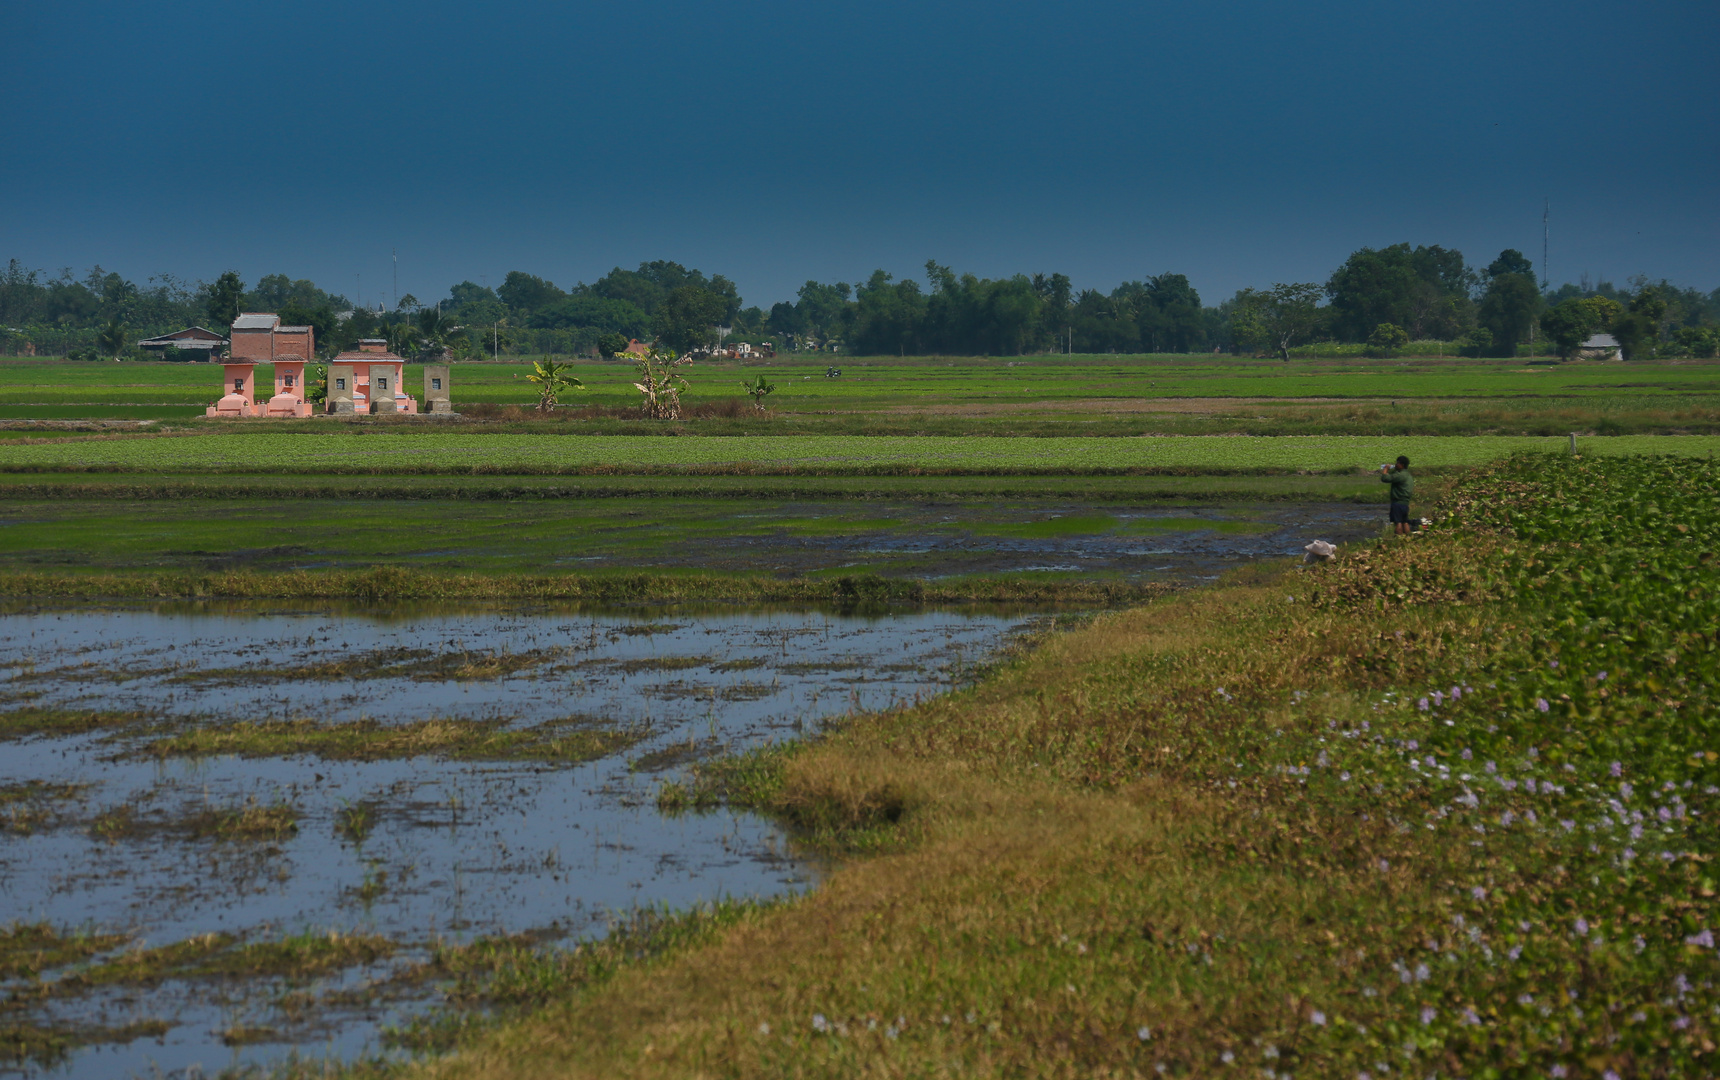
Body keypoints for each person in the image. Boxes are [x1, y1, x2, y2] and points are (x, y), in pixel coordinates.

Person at [1381, 455, 1414, 536]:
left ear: (1402, 465)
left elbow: (1385, 479)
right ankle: (1408, 539)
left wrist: (1385, 469)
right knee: (1404, 522)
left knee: (1398, 522)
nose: (1396, 465)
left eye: (1397, 463)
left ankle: (1398, 539)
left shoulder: (1400, 475)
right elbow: (1394, 475)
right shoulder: (1408, 475)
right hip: (1405, 503)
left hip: (1398, 502)